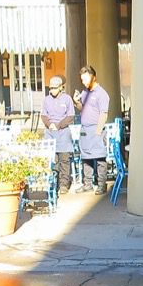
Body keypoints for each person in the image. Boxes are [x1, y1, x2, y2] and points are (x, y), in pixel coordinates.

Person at [72, 65, 110, 195]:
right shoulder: (85, 93)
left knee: (100, 157)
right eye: (82, 79)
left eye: (85, 79)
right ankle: (87, 184)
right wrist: (76, 101)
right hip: (85, 129)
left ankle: (101, 184)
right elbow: (82, 109)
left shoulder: (101, 94)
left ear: (93, 77)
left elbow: (103, 114)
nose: (83, 82)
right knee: (86, 157)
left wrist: (98, 131)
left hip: (96, 128)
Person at [41, 75, 76, 194]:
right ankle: (53, 183)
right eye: (50, 88)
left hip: (63, 131)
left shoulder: (67, 99)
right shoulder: (46, 100)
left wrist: (59, 125)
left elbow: (71, 116)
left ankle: (64, 184)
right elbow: (43, 115)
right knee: (52, 160)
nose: (52, 90)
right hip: (50, 132)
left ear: (61, 87)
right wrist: (49, 124)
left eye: (55, 88)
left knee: (64, 160)